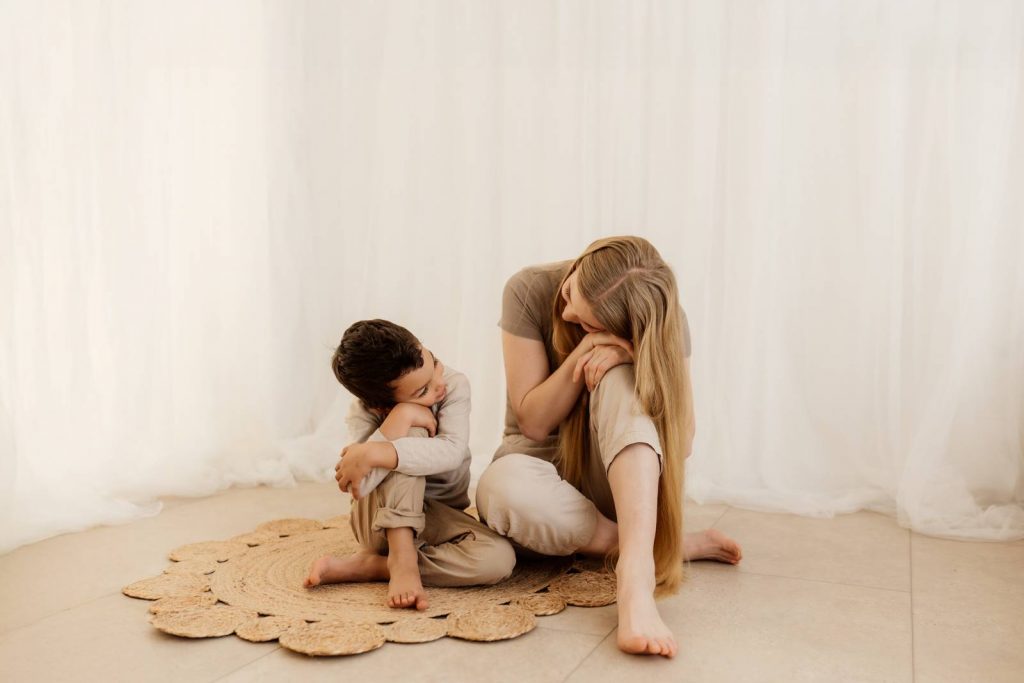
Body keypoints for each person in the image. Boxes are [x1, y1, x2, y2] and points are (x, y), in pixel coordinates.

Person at [476, 236, 742, 658]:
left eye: (587, 323)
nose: (566, 313)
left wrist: (638, 359)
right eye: (569, 294)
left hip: (613, 482)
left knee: (620, 379)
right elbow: (534, 423)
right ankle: (658, 546)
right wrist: (587, 347)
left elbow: (683, 442)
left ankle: (635, 579)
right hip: (542, 490)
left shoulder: (662, 315)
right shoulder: (528, 288)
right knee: (498, 487)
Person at [305, 319, 516, 610]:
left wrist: (378, 451)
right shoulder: (364, 411)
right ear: (380, 405)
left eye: (433, 362)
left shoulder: (454, 385)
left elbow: (452, 452)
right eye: (422, 391)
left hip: (437, 517)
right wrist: (401, 418)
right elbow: (360, 485)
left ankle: (375, 567)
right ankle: (402, 559)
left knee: (499, 560)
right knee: (411, 434)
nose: (438, 385)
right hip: (376, 523)